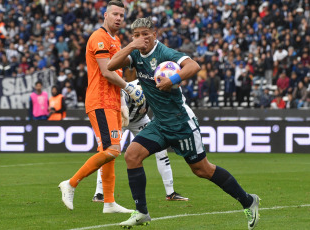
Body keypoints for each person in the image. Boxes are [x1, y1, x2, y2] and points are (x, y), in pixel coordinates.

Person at [107, 17, 260, 229]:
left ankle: (248, 201)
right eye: (136, 35)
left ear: (155, 34)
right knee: (132, 155)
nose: (141, 39)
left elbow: (193, 66)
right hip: (160, 123)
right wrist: (131, 45)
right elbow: (111, 65)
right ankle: (141, 212)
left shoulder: (165, 54)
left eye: (145, 34)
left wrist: (173, 80)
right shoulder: (134, 53)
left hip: (181, 123)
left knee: (202, 169)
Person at [58, 0, 144, 213]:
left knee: (110, 151)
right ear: (105, 15)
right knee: (112, 150)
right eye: (115, 14)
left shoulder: (116, 40)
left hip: (113, 102)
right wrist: (129, 88)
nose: (118, 18)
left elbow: (118, 72)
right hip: (100, 100)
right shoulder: (98, 38)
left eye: (122, 15)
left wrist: (123, 101)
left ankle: (109, 202)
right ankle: (71, 183)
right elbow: (106, 71)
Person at [92, 80, 188, 202]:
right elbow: (121, 92)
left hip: (140, 120)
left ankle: (170, 193)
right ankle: (99, 193)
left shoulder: (160, 85)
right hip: (120, 118)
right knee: (109, 152)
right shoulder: (132, 85)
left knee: (161, 151)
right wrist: (123, 106)